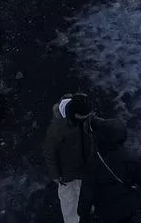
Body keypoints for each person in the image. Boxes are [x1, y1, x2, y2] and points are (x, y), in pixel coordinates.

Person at [77, 120, 141, 223]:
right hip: (127, 207)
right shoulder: (132, 159)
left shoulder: (94, 161)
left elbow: (87, 192)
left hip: (105, 210)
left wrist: (83, 214)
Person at [44, 93, 98, 223]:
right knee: (68, 198)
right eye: (84, 118)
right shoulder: (57, 129)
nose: (87, 119)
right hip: (67, 172)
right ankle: (72, 220)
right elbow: (50, 153)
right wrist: (55, 175)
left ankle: (85, 208)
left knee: (83, 189)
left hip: (83, 165)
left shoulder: (83, 113)